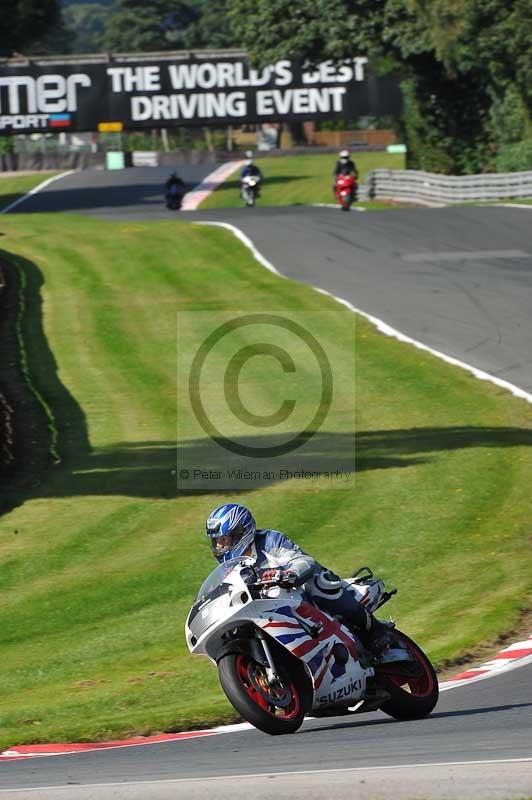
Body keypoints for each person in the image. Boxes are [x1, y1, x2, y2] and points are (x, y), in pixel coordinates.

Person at [205, 503, 393, 654]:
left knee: (321, 583)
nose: (220, 546)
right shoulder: (229, 567)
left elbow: (303, 561)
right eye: (217, 542)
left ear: (241, 533)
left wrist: (288, 573)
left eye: (224, 540)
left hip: (299, 594)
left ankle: (376, 631)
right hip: (270, 610)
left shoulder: (269, 540)